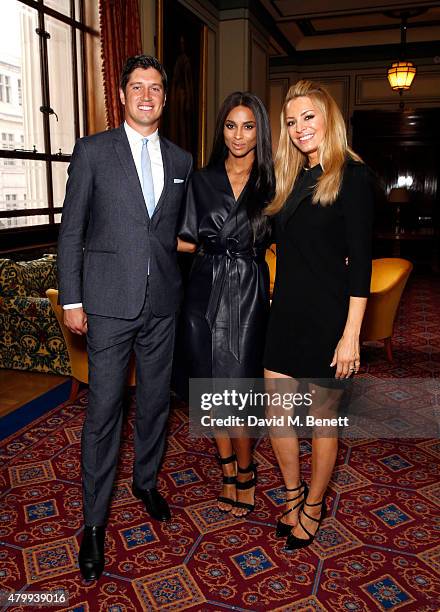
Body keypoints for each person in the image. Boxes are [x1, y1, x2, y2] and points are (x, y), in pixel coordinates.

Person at [57, 55, 192, 580]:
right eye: (137, 87)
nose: (146, 96)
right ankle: (93, 524)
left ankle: (145, 481)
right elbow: (72, 230)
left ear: (164, 97)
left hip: (163, 306)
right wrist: (72, 299)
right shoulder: (93, 151)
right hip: (107, 306)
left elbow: (174, 233)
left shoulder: (180, 161)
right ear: (121, 94)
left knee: (157, 404)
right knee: (104, 413)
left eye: (155, 88)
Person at [264, 80, 373, 549]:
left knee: (323, 423)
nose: (299, 128)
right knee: (279, 416)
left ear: (328, 118)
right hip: (284, 312)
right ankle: (292, 496)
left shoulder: (352, 175)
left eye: (308, 117)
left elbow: (362, 264)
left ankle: (314, 503)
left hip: (329, 317)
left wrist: (351, 337)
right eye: (291, 121)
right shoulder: (291, 178)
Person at [177, 92, 274, 517]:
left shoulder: (274, 180)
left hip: (249, 290)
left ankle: (248, 471)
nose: (238, 135)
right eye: (231, 125)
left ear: (260, 131)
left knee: (238, 387)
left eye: (248, 126)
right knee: (209, 387)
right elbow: (184, 239)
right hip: (204, 287)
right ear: (222, 130)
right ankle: (227, 471)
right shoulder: (201, 179)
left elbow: (294, 237)